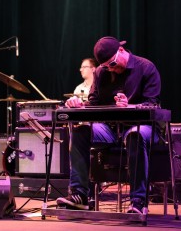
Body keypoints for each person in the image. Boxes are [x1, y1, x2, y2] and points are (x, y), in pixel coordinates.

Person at [56, 36, 162, 214]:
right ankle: (80, 195)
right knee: (79, 132)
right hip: (111, 129)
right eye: (106, 66)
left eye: (112, 63)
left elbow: (153, 104)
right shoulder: (101, 73)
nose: (111, 68)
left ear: (121, 50)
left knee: (135, 134)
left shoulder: (146, 68)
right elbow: (93, 102)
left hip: (144, 127)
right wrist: (78, 104)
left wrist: (129, 106)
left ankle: (138, 201)